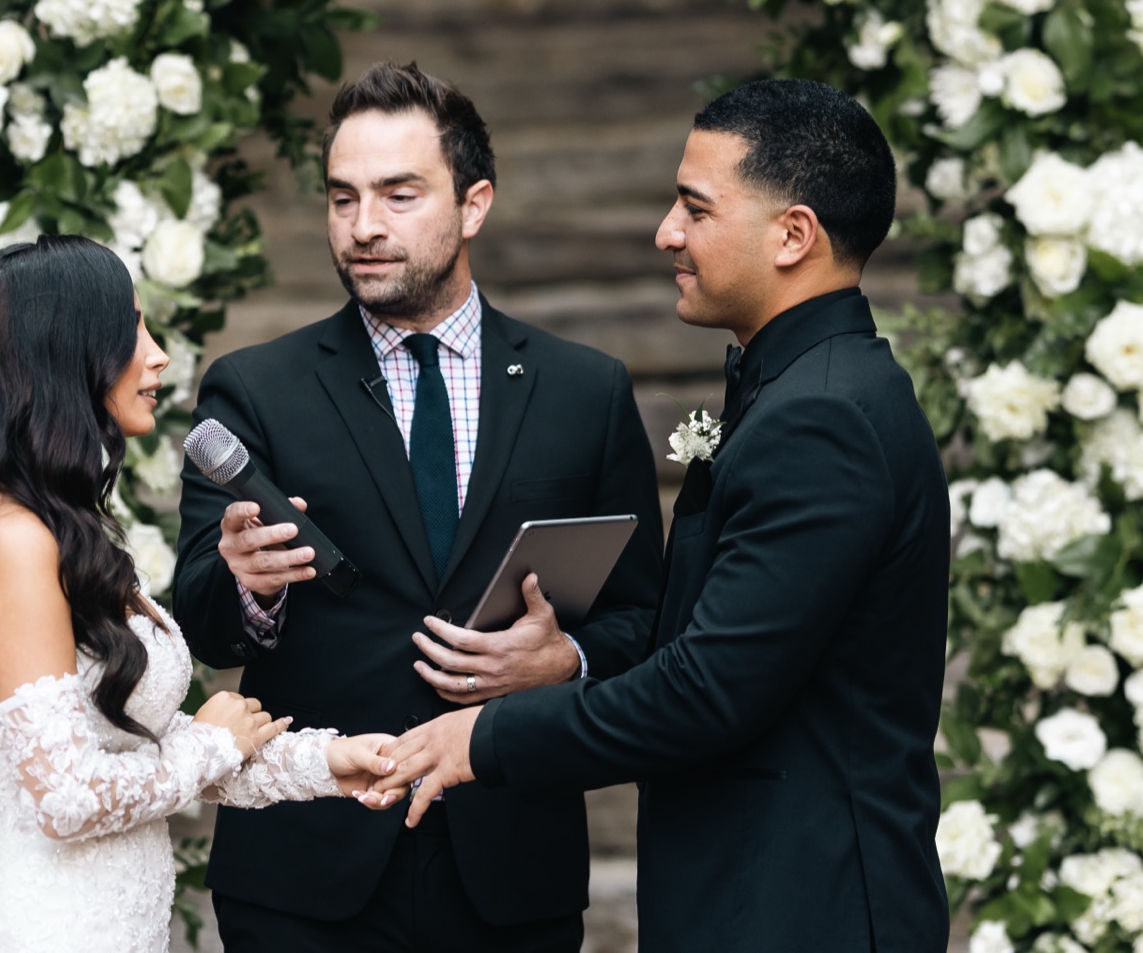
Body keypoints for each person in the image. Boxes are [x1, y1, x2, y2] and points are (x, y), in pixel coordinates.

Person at [375, 78, 952, 952]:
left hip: (803, 904)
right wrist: (566, 660)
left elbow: (709, 690)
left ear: (794, 235)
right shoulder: (804, 390)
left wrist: (485, 737)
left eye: (695, 208)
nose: (666, 233)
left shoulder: (822, 417)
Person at [0, 235, 395, 953]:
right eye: (133, 331)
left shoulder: (59, 529)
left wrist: (325, 764)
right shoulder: (6, 540)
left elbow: (129, 749)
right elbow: (65, 796)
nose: (157, 357)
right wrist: (211, 743)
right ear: (67, 354)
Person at [173, 61, 665, 951]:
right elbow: (204, 625)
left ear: (474, 204)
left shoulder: (584, 391)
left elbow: (642, 618)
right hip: (306, 875)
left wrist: (567, 659)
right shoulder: (254, 389)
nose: (364, 227)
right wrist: (250, 586)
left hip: (511, 865)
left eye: (399, 195)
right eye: (342, 198)